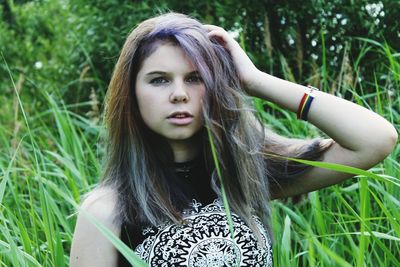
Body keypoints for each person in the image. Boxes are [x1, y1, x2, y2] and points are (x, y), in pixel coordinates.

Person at [69, 12, 398, 267]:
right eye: (159, 80)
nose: (179, 94)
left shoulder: (249, 175)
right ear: (132, 94)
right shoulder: (107, 210)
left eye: (196, 78)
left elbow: (375, 140)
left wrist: (255, 80)